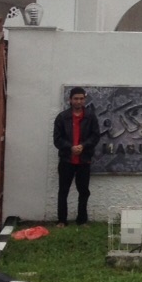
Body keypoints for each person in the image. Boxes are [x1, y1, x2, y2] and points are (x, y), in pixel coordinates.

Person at [52, 87, 101, 225]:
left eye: (81, 98)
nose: (78, 101)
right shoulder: (62, 117)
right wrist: (70, 147)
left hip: (84, 160)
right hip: (66, 160)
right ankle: (61, 220)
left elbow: (95, 136)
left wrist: (83, 146)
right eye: (75, 98)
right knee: (63, 191)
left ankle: (82, 220)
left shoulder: (90, 117)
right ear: (70, 100)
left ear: (84, 100)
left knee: (84, 191)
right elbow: (57, 139)